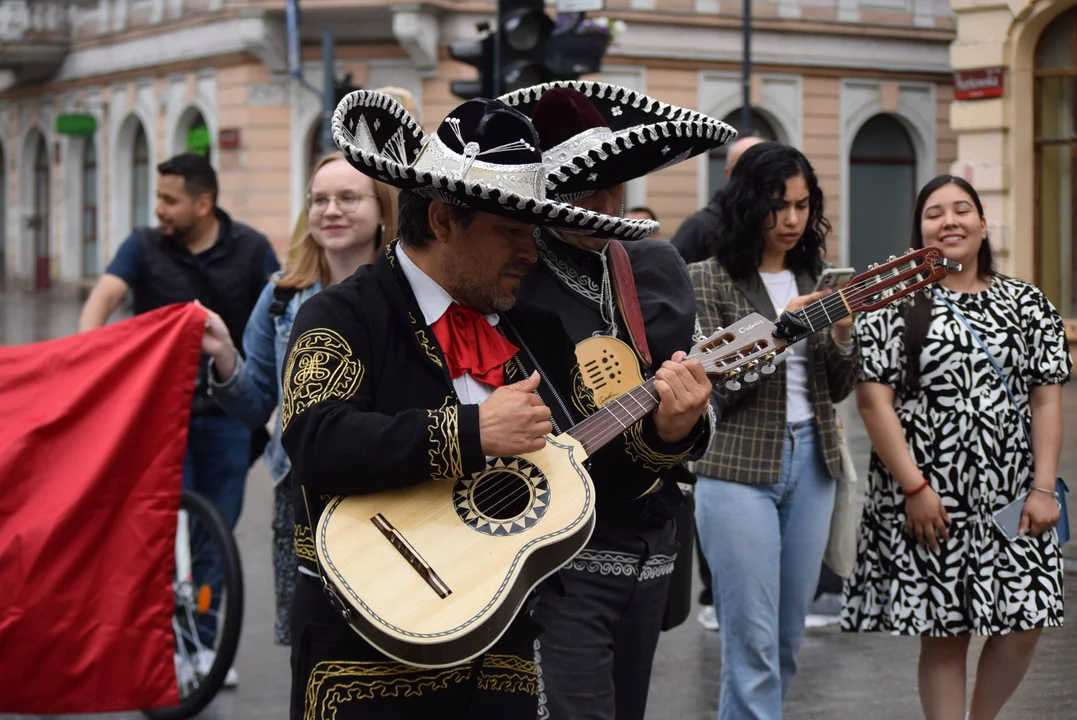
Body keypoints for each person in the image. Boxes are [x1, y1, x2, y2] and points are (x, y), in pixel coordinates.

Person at [283, 90, 713, 719]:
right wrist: (471, 431)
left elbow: (583, 474)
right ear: (441, 221)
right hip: (368, 653)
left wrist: (667, 434)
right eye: (511, 231)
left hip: (499, 648)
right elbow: (315, 442)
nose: (530, 252)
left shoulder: (530, 330)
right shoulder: (344, 314)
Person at [498, 81, 734, 720]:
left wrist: (683, 420)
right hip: (556, 558)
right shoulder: (509, 275)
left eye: (616, 184)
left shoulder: (653, 268)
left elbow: (691, 417)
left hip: (649, 551)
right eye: (588, 189)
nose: (608, 202)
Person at [841, 175, 1069, 720]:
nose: (949, 221)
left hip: (1013, 499)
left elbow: (1046, 398)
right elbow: (874, 403)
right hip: (932, 498)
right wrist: (914, 488)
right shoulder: (895, 306)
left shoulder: (1027, 302)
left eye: (962, 209)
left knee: (1025, 622)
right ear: (919, 231)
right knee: (945, 633)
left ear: (983, 224)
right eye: (934, 213)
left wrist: (1043, 486)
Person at [77, 152, 279, 687]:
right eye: (157, 198)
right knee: (160, 531)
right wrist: (90, 364)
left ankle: (203, 645)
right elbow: (103, 301)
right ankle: (160, 643)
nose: (159, 209)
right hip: (155, 418)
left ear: (203, 203)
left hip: (226, 418)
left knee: (214, 533)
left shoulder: (252, 249)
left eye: (169, 199)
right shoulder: (143, 245)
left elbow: (277, 315)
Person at [689, 141, 860, 720]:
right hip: (736, 469)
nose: (791, 219)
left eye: (802, 205)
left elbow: (837, 388)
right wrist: (783, 331)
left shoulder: (820, 276)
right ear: (747, 203)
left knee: (786, 643)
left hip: (813, 463)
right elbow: (714, 385)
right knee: (753, 644)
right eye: (777, 205)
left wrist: (839, 335)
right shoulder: (707, 279)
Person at [198, 150, 397, 647]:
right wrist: (224, 355)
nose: (331, 210)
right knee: (311, 637)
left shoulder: (408, 293)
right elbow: (255, 405)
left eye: (348, 198)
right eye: (319, 200)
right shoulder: (282, 297)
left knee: (392, 626)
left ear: (382, 212)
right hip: (302, 494)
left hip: (394, 489)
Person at [672, 135, 766, 265]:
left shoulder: (781, 224)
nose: (755, 176)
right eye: (745, 168)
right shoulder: (699, 227)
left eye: (763, 168)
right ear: (728, 173)